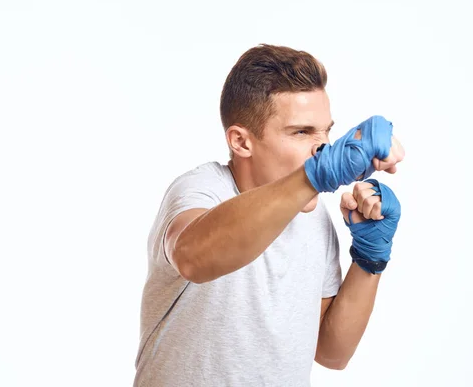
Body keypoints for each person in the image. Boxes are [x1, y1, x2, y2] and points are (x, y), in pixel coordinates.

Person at [133, 44, 405, 387]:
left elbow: (331, 352)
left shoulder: (314, 217)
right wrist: (312, 177)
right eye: (302, 132)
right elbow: (192, 258)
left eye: (326, 132)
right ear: (241, 142)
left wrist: (369, 257)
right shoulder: (201, 190)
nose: (323, 148)